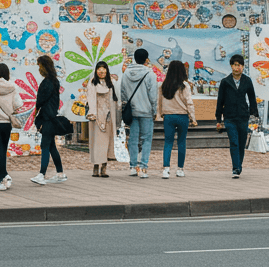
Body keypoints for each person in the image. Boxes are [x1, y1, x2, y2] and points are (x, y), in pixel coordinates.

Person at [215, 53, 259, 179]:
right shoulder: (225, 82)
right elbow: (220, 101)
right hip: (229, 117)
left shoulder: (247, 80)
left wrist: (254, 114)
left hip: (243, 116)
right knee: (234, 142)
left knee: (241, 142)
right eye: (235, 65)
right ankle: (235, 168)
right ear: (231, 66)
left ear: (243, 67)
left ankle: (239, 165)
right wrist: (219, 118)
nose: (237, 68)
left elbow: (252, 98)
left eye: (239, 65)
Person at [29, 54, 68, 185]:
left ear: (44, 66)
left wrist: (36, 115)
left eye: (39, 65)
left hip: (47, 118)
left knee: (45, 145)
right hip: (52, 117)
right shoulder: (55, 81)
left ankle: (42, 174)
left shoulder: (46, 83)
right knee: (51, 146)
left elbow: (40, 101)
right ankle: (60, 173)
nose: (38, 68)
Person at [120, 48, 159, 178]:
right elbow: (153, 95)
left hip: (132, 110)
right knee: (146, 139)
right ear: (146, 59)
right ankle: (143, 167)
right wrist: (154, 110)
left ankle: (132, 166)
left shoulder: (126, 73)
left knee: (133, 139)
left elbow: (123, 92)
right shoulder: (150, 74)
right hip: (146, 111)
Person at [158, 60, 197, 179]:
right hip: (182, 116)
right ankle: (180, 169)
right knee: (181, 142)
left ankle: (166, 169)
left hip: (168, 116)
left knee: (168, 142)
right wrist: (193, 118)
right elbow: (189, 102)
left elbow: (159, 102)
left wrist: (160, 114)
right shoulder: (184, 85)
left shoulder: (164, 85)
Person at [81, 61, 119, 177]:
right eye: (99, 69)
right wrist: (93, 113)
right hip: (96, 117)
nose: (101, 71)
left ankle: (104, 167)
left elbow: (116, 100)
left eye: (104, 69)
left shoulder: (112, 83)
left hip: (108, 117)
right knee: (96, 142)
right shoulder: (92, 83)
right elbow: (90, 98)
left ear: (107, 70)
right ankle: (95, 166)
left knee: (107, 143)